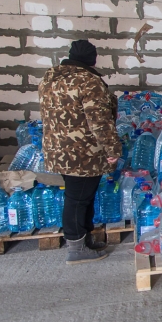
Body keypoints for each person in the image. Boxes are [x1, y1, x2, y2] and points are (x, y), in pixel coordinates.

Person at [39, 40, 121, 264]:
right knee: (78, 199)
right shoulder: (88, 81)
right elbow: (100, 121)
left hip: (58, 149)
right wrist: (112, 149)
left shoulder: (50, 78)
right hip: (82, 153)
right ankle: (76, 248)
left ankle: (84, 240)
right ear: (92, 60)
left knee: (81, 196)